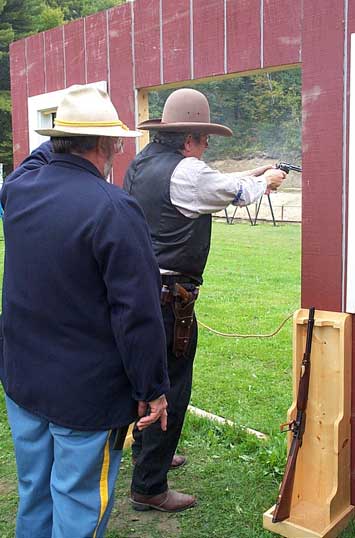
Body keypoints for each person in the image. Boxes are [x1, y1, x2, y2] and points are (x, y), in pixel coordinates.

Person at [0, 84, 170, 538]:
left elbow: (43, 157)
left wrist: (62, 135)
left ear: (55, 141)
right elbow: (138, 314)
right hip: (85, 396)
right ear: (108, 143)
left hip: (24, 381)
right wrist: (153, 389)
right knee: (77, 507)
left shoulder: (18, 188)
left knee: (36, 491)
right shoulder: (115, 209)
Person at [123, 87, 286, 512]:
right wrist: (265, 180)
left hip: (141, 291)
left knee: (147, 379)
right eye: (204, 137)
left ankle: (149, 454)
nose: (208, 145)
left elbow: (212, 185)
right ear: (189, 137)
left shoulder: (143, 163)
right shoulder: (189, 172)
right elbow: (236, 192)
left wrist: (253, 173)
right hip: (170, 299)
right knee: (171, 386)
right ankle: (150, 486)